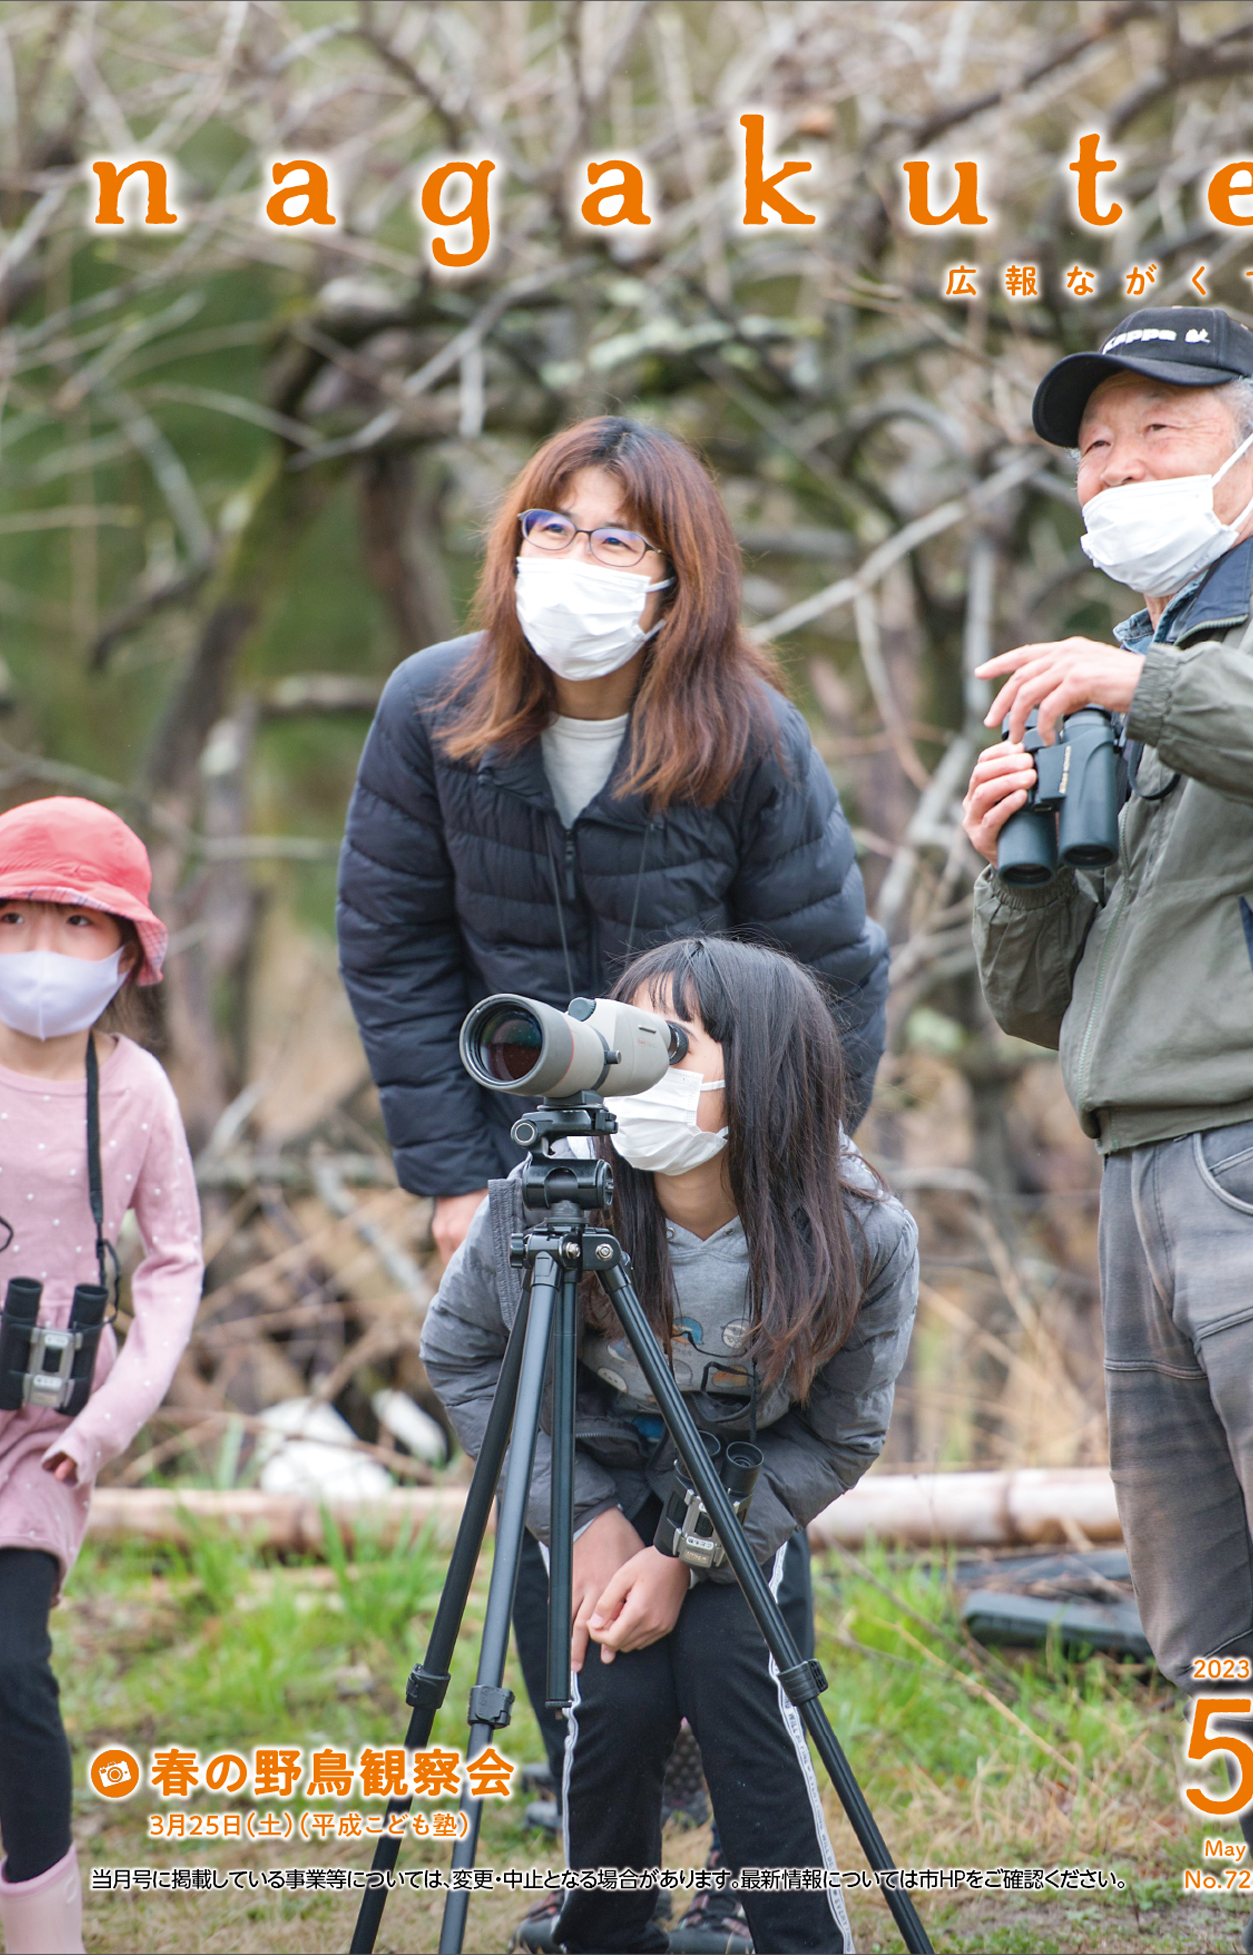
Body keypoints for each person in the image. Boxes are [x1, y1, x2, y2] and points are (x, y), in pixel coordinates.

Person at [336, 413, 888, 1944]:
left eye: (615, 539)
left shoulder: (750, 738)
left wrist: (769, 1177)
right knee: (544, 1493)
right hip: (526, 1165)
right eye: (548, 532)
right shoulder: (429, 709)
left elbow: (826, 981)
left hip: (713, 1158)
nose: (572, 566)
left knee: (728, 1485)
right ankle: (605, 1879)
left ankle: (745, 1884)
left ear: (676, 573)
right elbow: (390, 947)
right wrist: (454, 1172)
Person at [961, 306, 1253, 1955]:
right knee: (1201, 1644)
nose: (1117, 469)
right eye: (1094, 447)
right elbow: (1045, 1002)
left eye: (1158, 433)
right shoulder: (1100, 669)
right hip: (1137, 1178)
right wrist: (1011, 856)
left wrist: (1149, 687)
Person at [422, 937, 919, 1955]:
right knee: (607, 1689)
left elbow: (841, 1429)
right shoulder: (551, 1193)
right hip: (595, 1466)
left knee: (740, 1679)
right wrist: (584, 1518)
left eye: (663, 1047)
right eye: (615, 1039)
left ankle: (795, 1931)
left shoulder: (857, 1229)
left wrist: (683, 1557)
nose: (626, 1077)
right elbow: (463, 1353)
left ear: (767, 1072)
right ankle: (602, 1926)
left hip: (740, 1482)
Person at [0, 797, 204, 1955]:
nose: (36, 947)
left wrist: (112, 1419)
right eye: (13, 915)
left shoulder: (133, 1092)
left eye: (71, 922)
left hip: (48, 1423)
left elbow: (174, 1263)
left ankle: (44, 1929)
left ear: (124, 949)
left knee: (11, 1665)